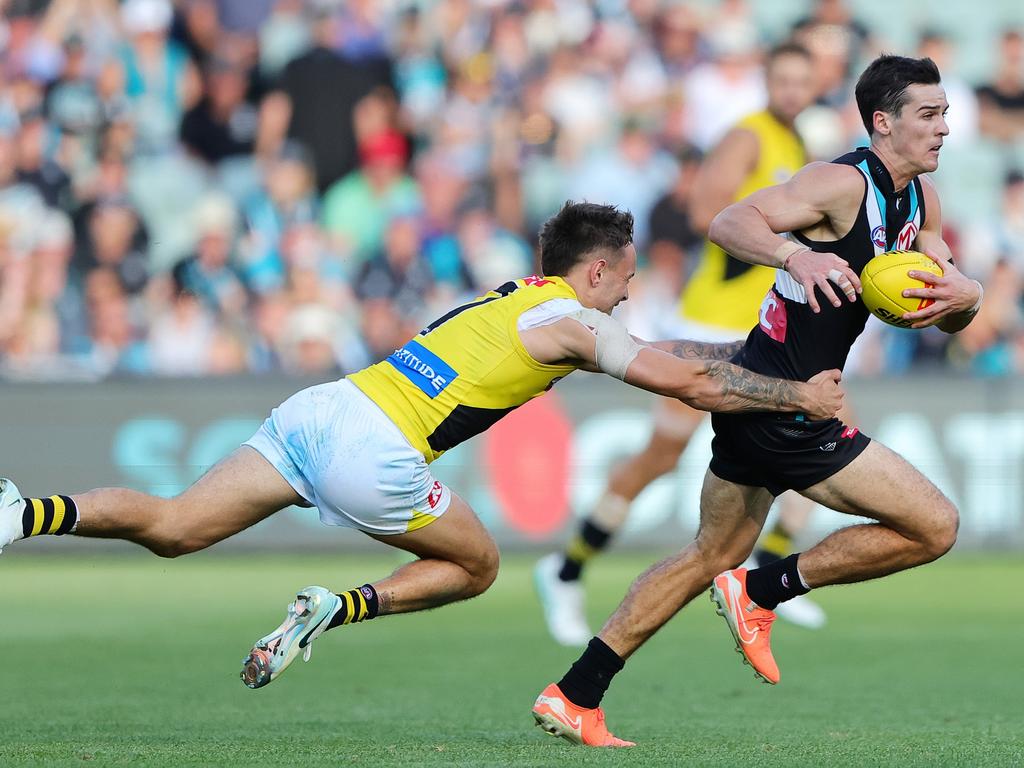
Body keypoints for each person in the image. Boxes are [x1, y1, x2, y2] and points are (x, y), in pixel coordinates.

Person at [0, 202, 844, 691]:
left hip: (324, 407)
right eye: (624, 279)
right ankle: (339, 607)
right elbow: (682, 384)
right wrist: (795, 391)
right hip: (375, 452)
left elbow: (667, 354)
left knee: (177, 527)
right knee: (476, 568)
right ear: (596, 274)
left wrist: (741, 354)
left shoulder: (523, 299)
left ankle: (23, 510)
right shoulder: (577, 322)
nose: (628, 293)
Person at [531, 55, 982, 748]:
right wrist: (794, 256)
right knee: (936, 526)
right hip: (788, 408)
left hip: (758, 391)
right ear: (884, 122)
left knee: (708, 553)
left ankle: (575, 692)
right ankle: (765, 591)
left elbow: (942, 307)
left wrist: (967, 297)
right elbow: (727, 221)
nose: (944, 128)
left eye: (945, 113)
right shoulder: (839, 183)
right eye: (929, 114)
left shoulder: (922, 201)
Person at [536, 42, 828, 648]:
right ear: (768, 80)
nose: (795, 89)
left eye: (806, 79)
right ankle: (565, 570)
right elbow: (704, 212)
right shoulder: (747, 137)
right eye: (785, 78)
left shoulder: (795, 147)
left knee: (830, 420)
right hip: (714, 323)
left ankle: (765, 572)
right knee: (661, 456)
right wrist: (788, 238)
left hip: (760, 323)